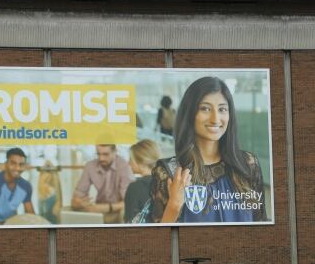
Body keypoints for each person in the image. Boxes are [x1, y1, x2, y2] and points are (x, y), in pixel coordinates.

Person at [150, 77, 266, 224]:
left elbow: (261, 224)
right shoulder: (170, 173)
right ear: (190, 114)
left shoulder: (248, 165)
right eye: (205, 108)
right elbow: (159, 241)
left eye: (222, 109)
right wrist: (174, 205)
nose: (215, 119)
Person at [72, 144, 133, 223]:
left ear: (115, 152)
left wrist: (106, 208)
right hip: (98, 212)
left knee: (123, 212)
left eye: (105, 154)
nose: (101, 158)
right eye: (98, 154)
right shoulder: (90, 166)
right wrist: (79, 202)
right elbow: (76, 199)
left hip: (119, 213)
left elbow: (129, 202)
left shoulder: (124, 166)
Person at [124, 139, 161, 222]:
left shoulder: (135, 187)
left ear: (142, 162)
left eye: (131, 159)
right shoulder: (166, 184)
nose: (129, 163)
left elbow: (130, 222)